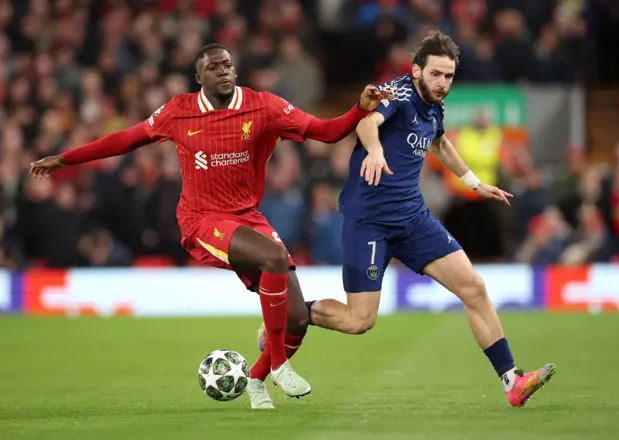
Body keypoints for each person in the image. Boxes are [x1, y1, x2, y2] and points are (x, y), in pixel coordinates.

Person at [29, 43, 391, 410]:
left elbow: (326, 132)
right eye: (215, 67)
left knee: (297, 318)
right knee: (275, 257)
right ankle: (280, 364)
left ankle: (256, 380)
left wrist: (359, 108)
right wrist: (66, 159)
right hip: (201, 220)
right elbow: (126, 138)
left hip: (247, 217)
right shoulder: (179, 111)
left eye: (229, 65)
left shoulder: (263, 105)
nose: (224, 71)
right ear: (198, 77)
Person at [259, 32, 555, 408]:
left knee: (474, 289)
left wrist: (474, 182)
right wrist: (376, 150)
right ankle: (289, 317)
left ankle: (512, 381)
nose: (443, 83)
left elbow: (440, 142)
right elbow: (367, 123)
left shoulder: (435, 105)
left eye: (449, 76)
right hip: (369, 222)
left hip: (412, 218)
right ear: (416, 71)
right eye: (436, 75)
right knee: (359, 321)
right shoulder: (396, 95)